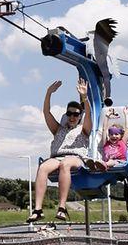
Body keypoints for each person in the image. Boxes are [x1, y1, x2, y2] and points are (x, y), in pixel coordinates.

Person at [27, 78, 92, 223]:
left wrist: (84, 97)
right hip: (57, 157)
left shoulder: (83, 129)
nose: (72, 117)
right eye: (69, 114)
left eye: (75, 114)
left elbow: (88, 115)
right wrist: (49, 93)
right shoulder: (59, 129)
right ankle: (38, 209)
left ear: (79, 116)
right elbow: (46, 113)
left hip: (75, 157)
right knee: (43, 167)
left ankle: (62, 207)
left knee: (66, 164)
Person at [85, 107, 128, 171]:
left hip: (119, 162)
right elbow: (104, 129)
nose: (113, 136)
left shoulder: (122, 142)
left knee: (111, 161)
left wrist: (126, 115)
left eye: (116, 134)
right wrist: (107, 116)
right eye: (111, 134)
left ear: (121, 135)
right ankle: (95, 166)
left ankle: (103, 165)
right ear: (109, 135)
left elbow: (127, 128)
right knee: (106, 161)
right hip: (106, 162)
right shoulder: (106, 143)